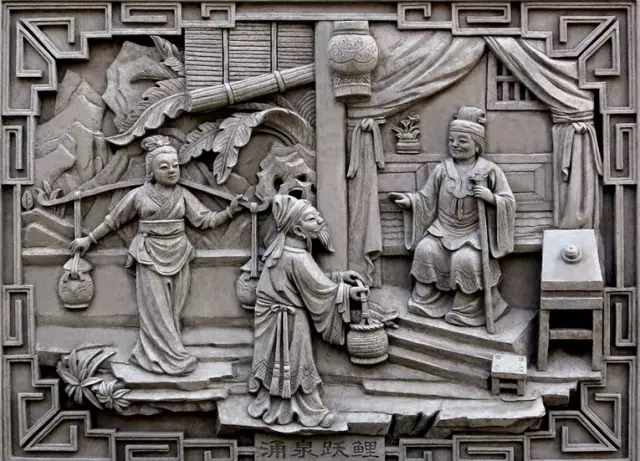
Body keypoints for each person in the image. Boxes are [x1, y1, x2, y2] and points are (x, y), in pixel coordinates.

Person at [70, 135, 243, 375]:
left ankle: (163, 355)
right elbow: (113, 221)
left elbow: (205, 220)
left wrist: (229, 212)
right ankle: (169, 359)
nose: (172, 171)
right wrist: (88, 240)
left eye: (175, 166)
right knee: (155, 311)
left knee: (172, 312)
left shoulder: (182, 194)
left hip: (179, 254)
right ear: (151, 171)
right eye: (164, 167)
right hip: (149, 256)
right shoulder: (139, 195)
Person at [248, 194, 369, 427]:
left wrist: (338, 278)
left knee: (281, 369)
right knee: (299, 365)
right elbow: (319, 290)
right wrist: (347, 293)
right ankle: (311, 412)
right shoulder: (298, 257)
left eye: (317, 216)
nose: (321, 221)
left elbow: (309, 282)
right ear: (298, 230)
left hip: (275, 317)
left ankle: (274, 405)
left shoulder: (284, 250)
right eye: (312, 219)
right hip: (289, 321)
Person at [389, 106, 516, 327]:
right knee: (426, 249)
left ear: (477, 145)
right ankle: (426, 301)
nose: (455, 145)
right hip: (442, 229)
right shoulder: (442, 169)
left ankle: (466, 309)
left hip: (473, 233)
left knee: (465, 259)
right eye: (451, 140)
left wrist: (491, 198)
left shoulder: (489, 170)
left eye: (462, 141)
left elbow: (508, 201)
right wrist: (410, 202)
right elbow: (426, 198)